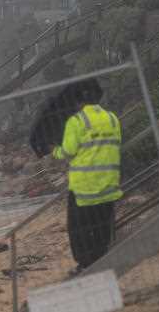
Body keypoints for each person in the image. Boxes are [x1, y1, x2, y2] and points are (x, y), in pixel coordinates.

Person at [51, 79, 122, 273]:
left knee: (78, 229)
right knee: (102, 227)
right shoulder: (112, 118)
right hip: (109, 184)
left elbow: (68, 151)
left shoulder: (77, 121)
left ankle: (85, 265)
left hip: (84, 188)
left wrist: (54, 151)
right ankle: (101, 260)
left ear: (78, 102)